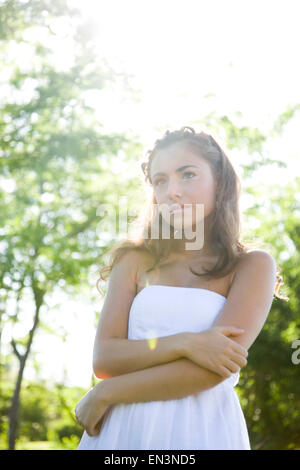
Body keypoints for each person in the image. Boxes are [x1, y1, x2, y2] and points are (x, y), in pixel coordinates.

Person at [75, 126, 286, 450]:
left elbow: (212, 370)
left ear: (220, 182)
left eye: (187, 174)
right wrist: (186, 343)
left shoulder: (252, 265)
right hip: (123, 430)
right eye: (160, 180)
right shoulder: (133, 260)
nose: (172, 190)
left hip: (203, 431)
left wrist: (107, 392)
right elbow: (105, 358)